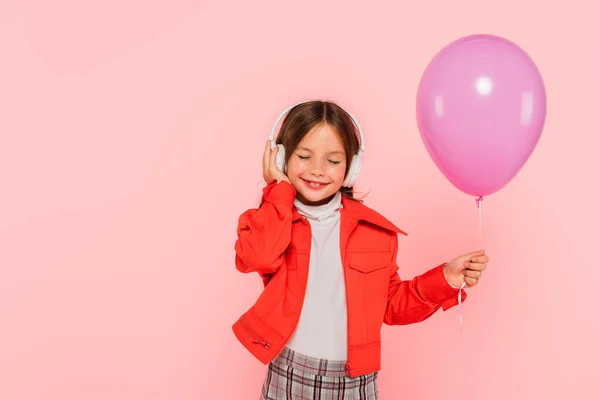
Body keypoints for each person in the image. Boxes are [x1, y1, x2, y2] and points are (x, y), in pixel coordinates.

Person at [232, 100, 488, 399]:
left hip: (355, 379)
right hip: (290, 372)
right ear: (281, 158)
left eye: (333, 160)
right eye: (304, 156)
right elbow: (258, 257)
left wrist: (445, 278)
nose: (317, 170)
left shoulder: (374, 232)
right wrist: (278, 189)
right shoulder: (270, 220)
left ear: (352, 167)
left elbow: (391, 305)